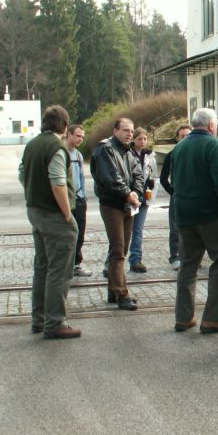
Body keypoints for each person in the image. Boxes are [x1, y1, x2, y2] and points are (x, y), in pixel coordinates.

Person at [169, 108, 218, 334]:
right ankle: (213, 319)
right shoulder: (214, 146)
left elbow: (174, 180)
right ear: (211, 126)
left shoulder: (180, 147)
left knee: (188, 266)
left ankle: (183, 317)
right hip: (211, 216)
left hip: (184, 215)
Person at [19, 105, 80, 339]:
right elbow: (58, 182)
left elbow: (22, 174)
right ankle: (55, 322)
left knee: (42, 267)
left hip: (35, 211)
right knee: (59, 271)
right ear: (65, 126)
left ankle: (39, 319)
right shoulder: (56, 147)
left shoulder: (32, 145)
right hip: (54, 215)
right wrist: (67, 213)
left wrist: (34, 192)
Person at [90, 118, 143, 311]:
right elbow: (111, 178)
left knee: (121, 250)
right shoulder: (106, 149)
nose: (130, 134)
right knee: (118, 249)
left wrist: (135, 192)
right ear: (115, 131)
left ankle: (114, 290)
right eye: (125, 130)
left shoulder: (128, 151)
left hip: (128, 205)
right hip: (112, 205)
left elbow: (138, 174)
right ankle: (122, 294)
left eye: (131, 131)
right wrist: (129, 194)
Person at [160, 124, 192, 271]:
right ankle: (175, 256)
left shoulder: (196, 153)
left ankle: (191, 256)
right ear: (177, 138)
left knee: (194, 228)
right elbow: (163, 179)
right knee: (175, 228)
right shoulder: (171, 155)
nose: (185, 139)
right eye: (182, 136)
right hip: (178, 196)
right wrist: (173, 192)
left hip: (194, 196)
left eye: (188, 136)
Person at [127, 127, 158, 273]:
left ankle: (136, 259)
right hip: (130, 196)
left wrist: (150, 192)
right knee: (123, 230)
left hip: (144, 197)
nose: (142, 142)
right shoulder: (127, 153)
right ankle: (111, 261)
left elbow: (154, 176)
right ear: (134, 140)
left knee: (138, 230)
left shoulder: (150, 156)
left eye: (145, 139)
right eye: (139, 139)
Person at [65, 124, 92, 277]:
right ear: (69, 134)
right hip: (67, 201)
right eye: (77, 136)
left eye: (82, 136)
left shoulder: (79, 155)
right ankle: (66, 265)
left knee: (79, 234)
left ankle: (76, 264)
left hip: (79, 200)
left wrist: (83, 196)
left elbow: (81, 177)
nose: (80, 139)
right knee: (67, 234)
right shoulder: (61, 153)